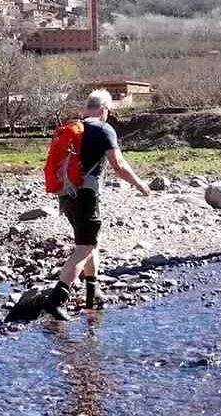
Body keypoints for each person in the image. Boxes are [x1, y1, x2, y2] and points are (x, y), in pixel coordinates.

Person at [44, 89, 150, 321]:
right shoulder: (103, 128)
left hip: (66, 195)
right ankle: (56, 299)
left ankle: (93, 293)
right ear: (104, 110)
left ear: (86, 109)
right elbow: (118, 165)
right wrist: (140, 184)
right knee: (84, 248)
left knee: (91, 243)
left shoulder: (75, 129)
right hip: (87, 196)